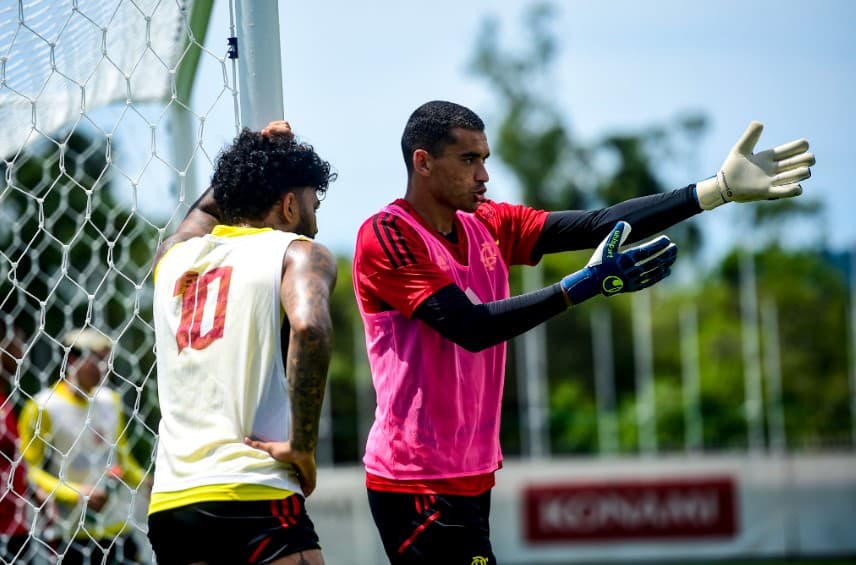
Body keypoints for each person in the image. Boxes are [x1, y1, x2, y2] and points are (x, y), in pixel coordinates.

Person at [352, 100, 815, 564]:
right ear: (423, 162)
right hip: (414, 479)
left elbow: (599, 224)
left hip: (471, 473)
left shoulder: (488, 223)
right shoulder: (388, 234)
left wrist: (716, 190)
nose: (484, 175)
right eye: (469, 160)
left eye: (485, 159)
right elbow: (470, 327)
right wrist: (578, 287)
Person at [146, 121, 337, 565]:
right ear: (289, 205)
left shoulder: (172, 257)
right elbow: (311, 329)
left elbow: (203, 210)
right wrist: (302, 445)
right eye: (313, 205)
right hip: (255, 492)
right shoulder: (297, 253)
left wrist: (253, 156)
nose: (315, 220)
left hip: (172, 504)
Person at [18, 327, 148, 564]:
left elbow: (122, 459)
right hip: (71, 533)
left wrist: (146, 481)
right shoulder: (43, 406)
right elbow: (29, 471)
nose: (105, 367)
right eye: (98, 359)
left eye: (108, 359)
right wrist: (76, 493)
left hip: (117, 526)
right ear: (72, 360)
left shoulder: (110, 401)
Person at [0, 318, 35, 563]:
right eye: (18, 342)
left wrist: (34, 491)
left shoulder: (6, 401)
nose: (23, 351)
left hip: (16, 526)